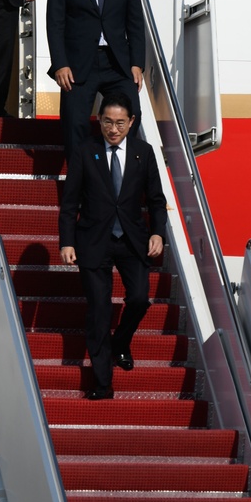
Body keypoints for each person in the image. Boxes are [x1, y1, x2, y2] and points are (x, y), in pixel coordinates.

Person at [59, 94, 167, 400]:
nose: (114, 129)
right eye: (108, 121)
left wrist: (157, 233)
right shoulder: (85, 151)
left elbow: (157, 201)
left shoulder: (143, 153)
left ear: (131, 122)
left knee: (139, 299)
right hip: (94, 241)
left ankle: (121, 342)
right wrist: (67, 241)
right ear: (99, 121)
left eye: (120, 122)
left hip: (132, 240)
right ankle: (103, 383)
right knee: (99, 311)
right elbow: (70, 203)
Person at [46, 0, 145, 157]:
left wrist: (136, 64)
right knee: (74, 123)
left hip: (116, 63)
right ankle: (80, 183)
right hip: (78, 65)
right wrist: (60, 64)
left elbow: (135, 23)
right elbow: (54, 23)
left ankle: (116, 168)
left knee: (132, 113)